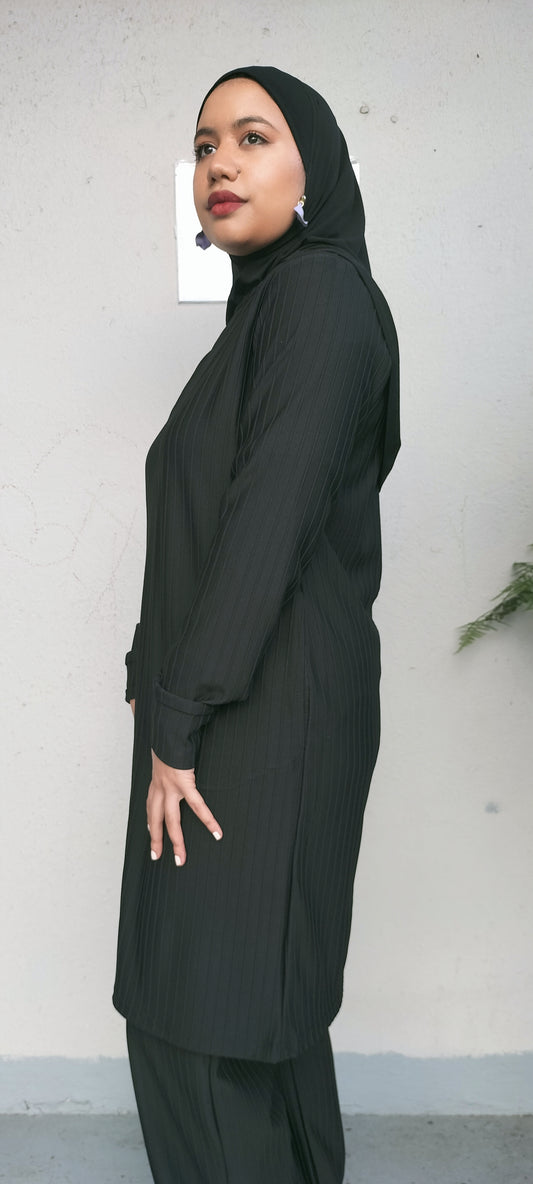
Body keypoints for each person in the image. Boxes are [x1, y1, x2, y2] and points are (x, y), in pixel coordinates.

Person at [113, 65, 400, 1184]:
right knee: (241, 1019)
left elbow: (265, 524)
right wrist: (155, 684)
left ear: (314, 170)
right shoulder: (266, 316)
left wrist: (176, 716)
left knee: (216, 1021)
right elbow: (209, 524)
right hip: (228, 704)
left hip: (259, 713)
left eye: (251, 137)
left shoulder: (319, 298)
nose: (218, 163)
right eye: (201, 146)